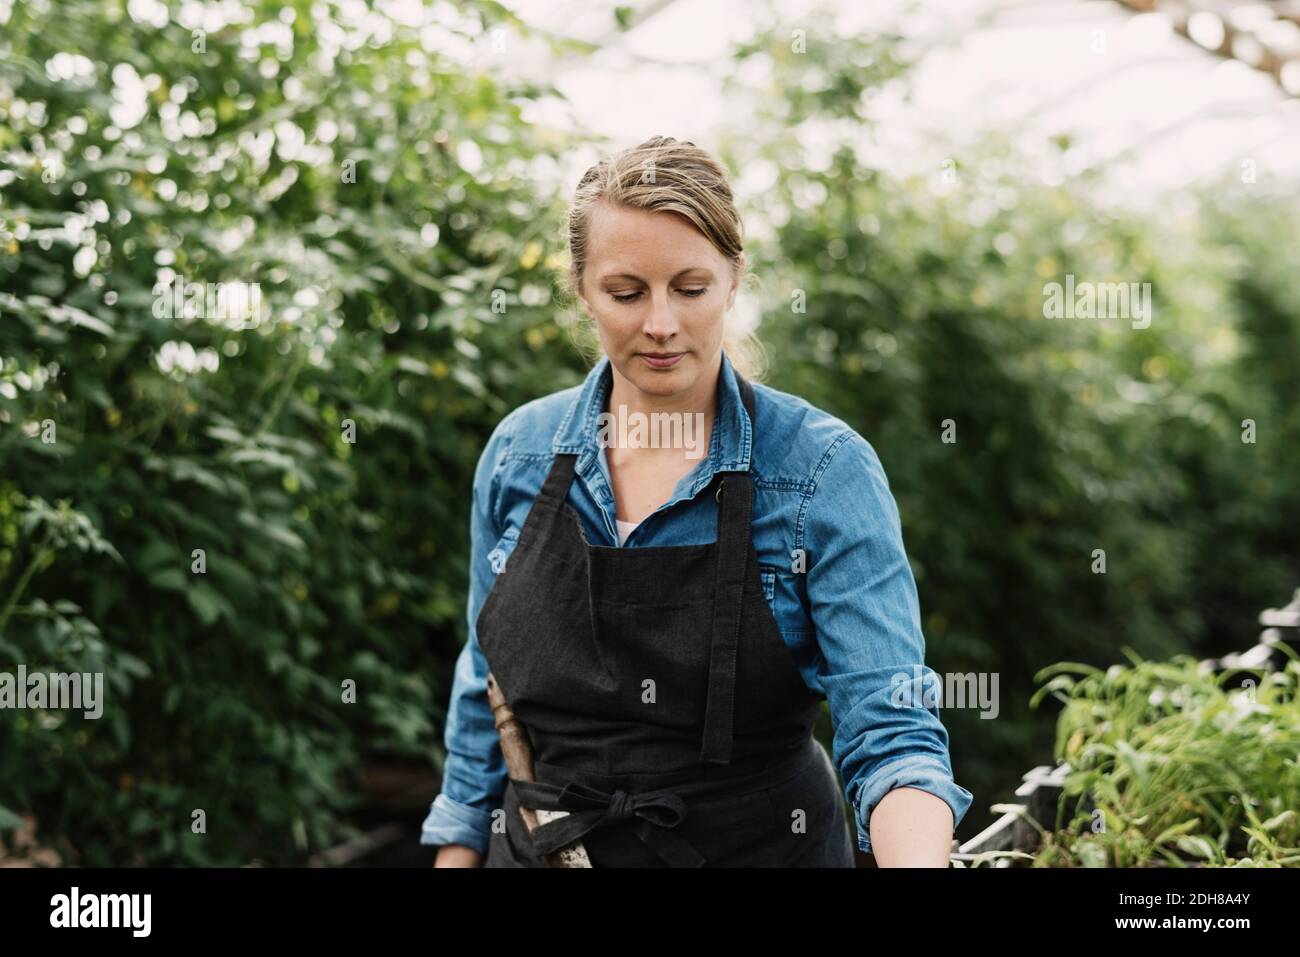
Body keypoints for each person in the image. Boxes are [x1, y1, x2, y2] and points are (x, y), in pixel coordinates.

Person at [422, 136, 972, 867]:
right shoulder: (519, 455)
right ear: (580, 287)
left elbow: (892, 729)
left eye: (690, 288)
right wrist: (456, 853)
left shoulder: (818, 471)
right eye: (626, 292)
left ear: (734, 278)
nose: (660, 324)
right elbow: (482, 685)